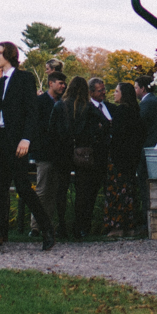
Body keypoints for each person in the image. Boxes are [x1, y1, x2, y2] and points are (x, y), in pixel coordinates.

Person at [0, 41, 57, 252]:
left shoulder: (24, 78)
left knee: (22, 187)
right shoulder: (0, 84)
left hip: (16, 141)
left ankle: (47, 229)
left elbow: (31, 111)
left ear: (10, 55)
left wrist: (26, 139)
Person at [69, 77, 114, 238]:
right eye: (100, 90)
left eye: (104, 89)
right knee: (84, 194)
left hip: (102, 158)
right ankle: (80, 227)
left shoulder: (108, 107)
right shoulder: (85, 108)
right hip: (88, 157)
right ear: (91, 92)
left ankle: (86, 227)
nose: (103, 92)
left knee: (93, 193)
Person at [103, 81, 145, 238]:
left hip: (118, 159)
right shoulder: (135, 111)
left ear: (123, 94)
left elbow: (117, 136)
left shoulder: (121, 112)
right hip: (131, 159)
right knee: (129, 192)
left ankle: (117, 226)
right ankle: (129, 225)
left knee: (116, 193)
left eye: (116, 91)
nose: (114, 94)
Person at [31, 71, 69, 233]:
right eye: (60, 83)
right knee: (42, 190)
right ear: (51, 83)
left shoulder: (64, 103)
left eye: (64, 83)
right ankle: (35, 226)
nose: (63, 86)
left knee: (53, 191)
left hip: (59, 154)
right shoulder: (39, 102)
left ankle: (47, 225)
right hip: (43, 153)